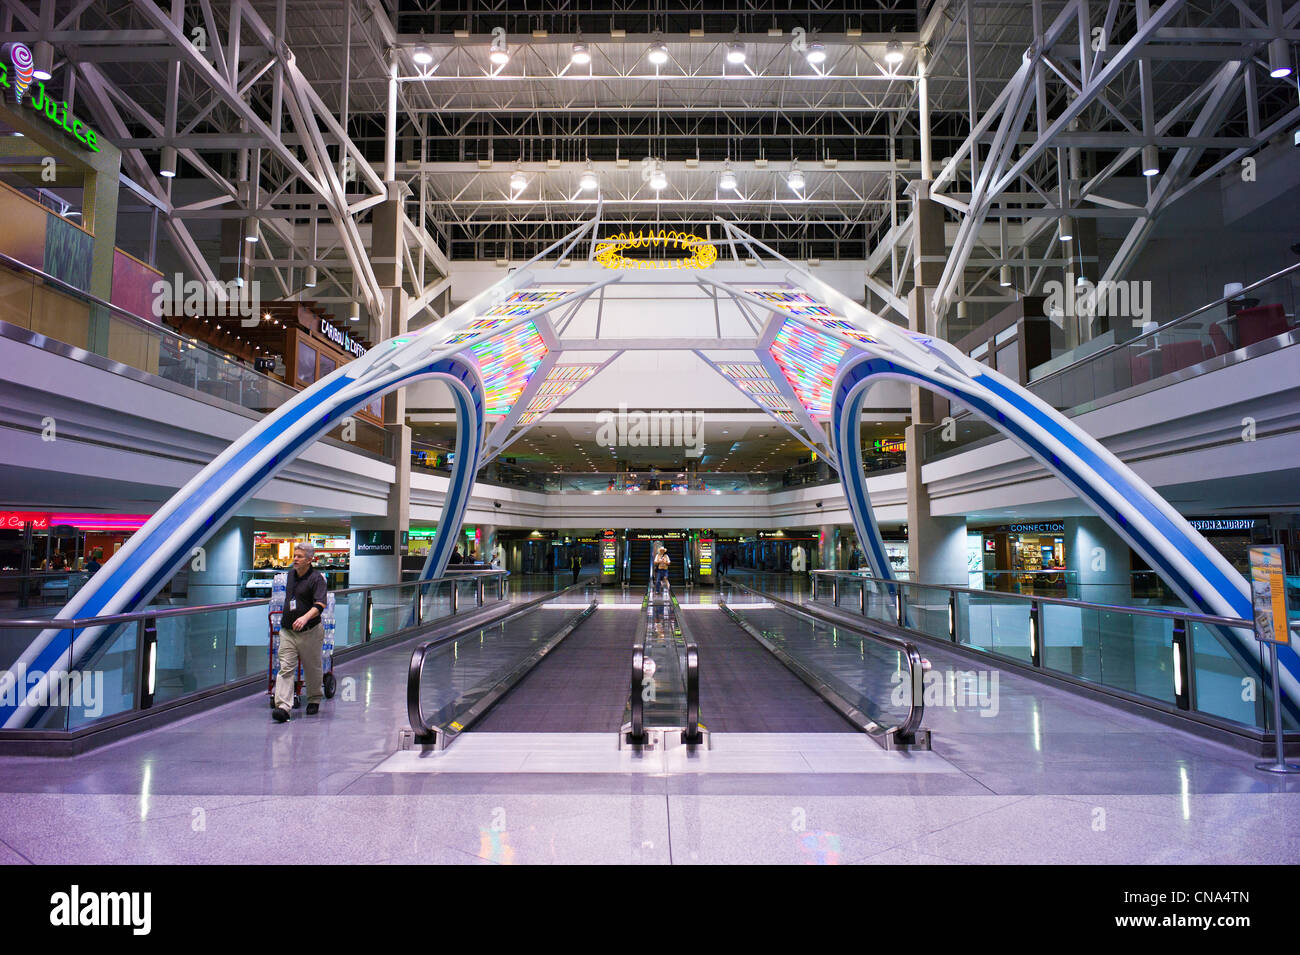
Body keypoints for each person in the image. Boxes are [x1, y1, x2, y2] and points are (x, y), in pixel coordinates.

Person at [272, 542, 328, 722]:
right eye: (294, 555)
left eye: (299, 557)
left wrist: (305, 618)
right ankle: (283, 707)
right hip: (288, 631)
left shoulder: (317, 579)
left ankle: (314, 699)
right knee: (286, 668)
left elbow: (320, 604)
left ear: (310, 560)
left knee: (312, 668)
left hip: (309, 632)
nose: (295, 559)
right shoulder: (290, 576)